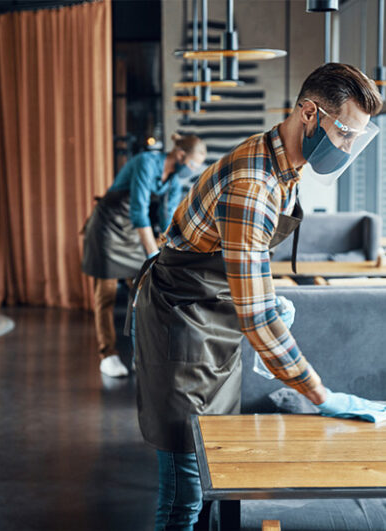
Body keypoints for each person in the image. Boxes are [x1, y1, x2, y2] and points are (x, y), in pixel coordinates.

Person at [133, 63, 386, 530]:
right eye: (346, 133)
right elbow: (259, 321)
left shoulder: (284, 162)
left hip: (215, 320)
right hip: (182, 327)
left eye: (356, 137)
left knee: (216, 470)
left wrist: (267, 290)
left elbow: (246, 263)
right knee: (184, 490)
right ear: (309, 113)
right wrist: (319, 393)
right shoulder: (253, 185)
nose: (348, 146)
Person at [82, 135, 206, 378]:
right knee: (106, 294)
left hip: (132, 231)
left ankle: (144, 353)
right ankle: (107, 355)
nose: (192, 170)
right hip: (108, 227)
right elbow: (139, 210)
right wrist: (152, 256)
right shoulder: (146, 163)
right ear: (180, 155)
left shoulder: (173, 180)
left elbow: (168, 218)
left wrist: (175, 252)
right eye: (192, 164)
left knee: (143, 291)